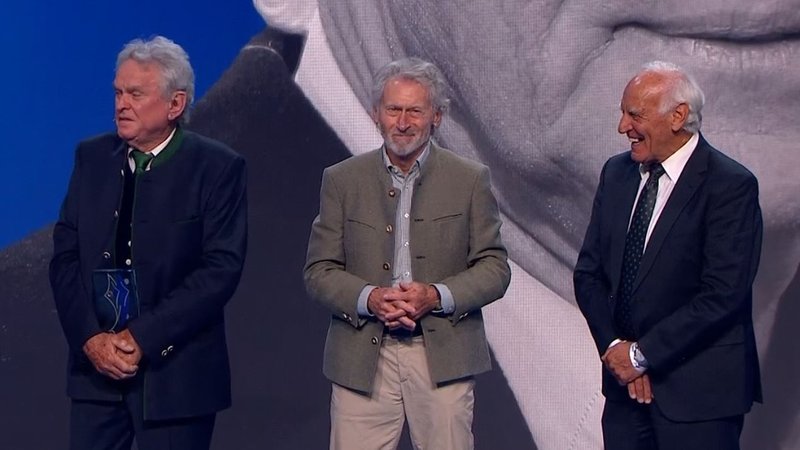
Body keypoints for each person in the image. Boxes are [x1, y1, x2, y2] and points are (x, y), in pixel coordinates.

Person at [49, 35, 247, 449]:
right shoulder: (91, 158)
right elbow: (65, 258)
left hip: (176, 378)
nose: (122, 103)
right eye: (118, 93)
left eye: (135, 94)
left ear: (175, 105)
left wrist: (141, 337)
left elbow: (220, 269)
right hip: (96, 374)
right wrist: (90, 338)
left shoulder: (216, 167)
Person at [303, 57, 511, 450]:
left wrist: (434, 296)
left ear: (437, 117)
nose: (402, 122)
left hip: (442, 356)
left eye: (414, 111)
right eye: (393, 109)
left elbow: (495, 267)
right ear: (375, 114)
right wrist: (370, 299)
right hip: (362, 357)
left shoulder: (469, 179)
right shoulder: (342, 180)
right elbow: (319, 270)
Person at [573, 61, 762, 449]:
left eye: (634, 114)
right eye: (623, 113)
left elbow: (723, 294)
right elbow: (589, 274)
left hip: (699, 397)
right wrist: (616, 352)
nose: (622, 127)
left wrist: (642, 356)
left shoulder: (730, 186)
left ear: (678, 116)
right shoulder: (617, 173)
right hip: (625, 394)